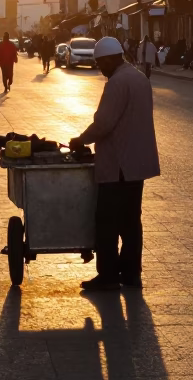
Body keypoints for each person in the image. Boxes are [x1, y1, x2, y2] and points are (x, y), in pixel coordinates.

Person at [69, 36, 161, 292]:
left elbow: (104, 123)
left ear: (111, 58)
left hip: (119, 165)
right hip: (137, 162)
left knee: (107, 221)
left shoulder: (117, 83)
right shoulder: (139, 77)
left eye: (101, 63)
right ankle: (131, 273)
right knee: (131, 221)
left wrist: (81, 140)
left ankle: (108, 274)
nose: (100, 68)